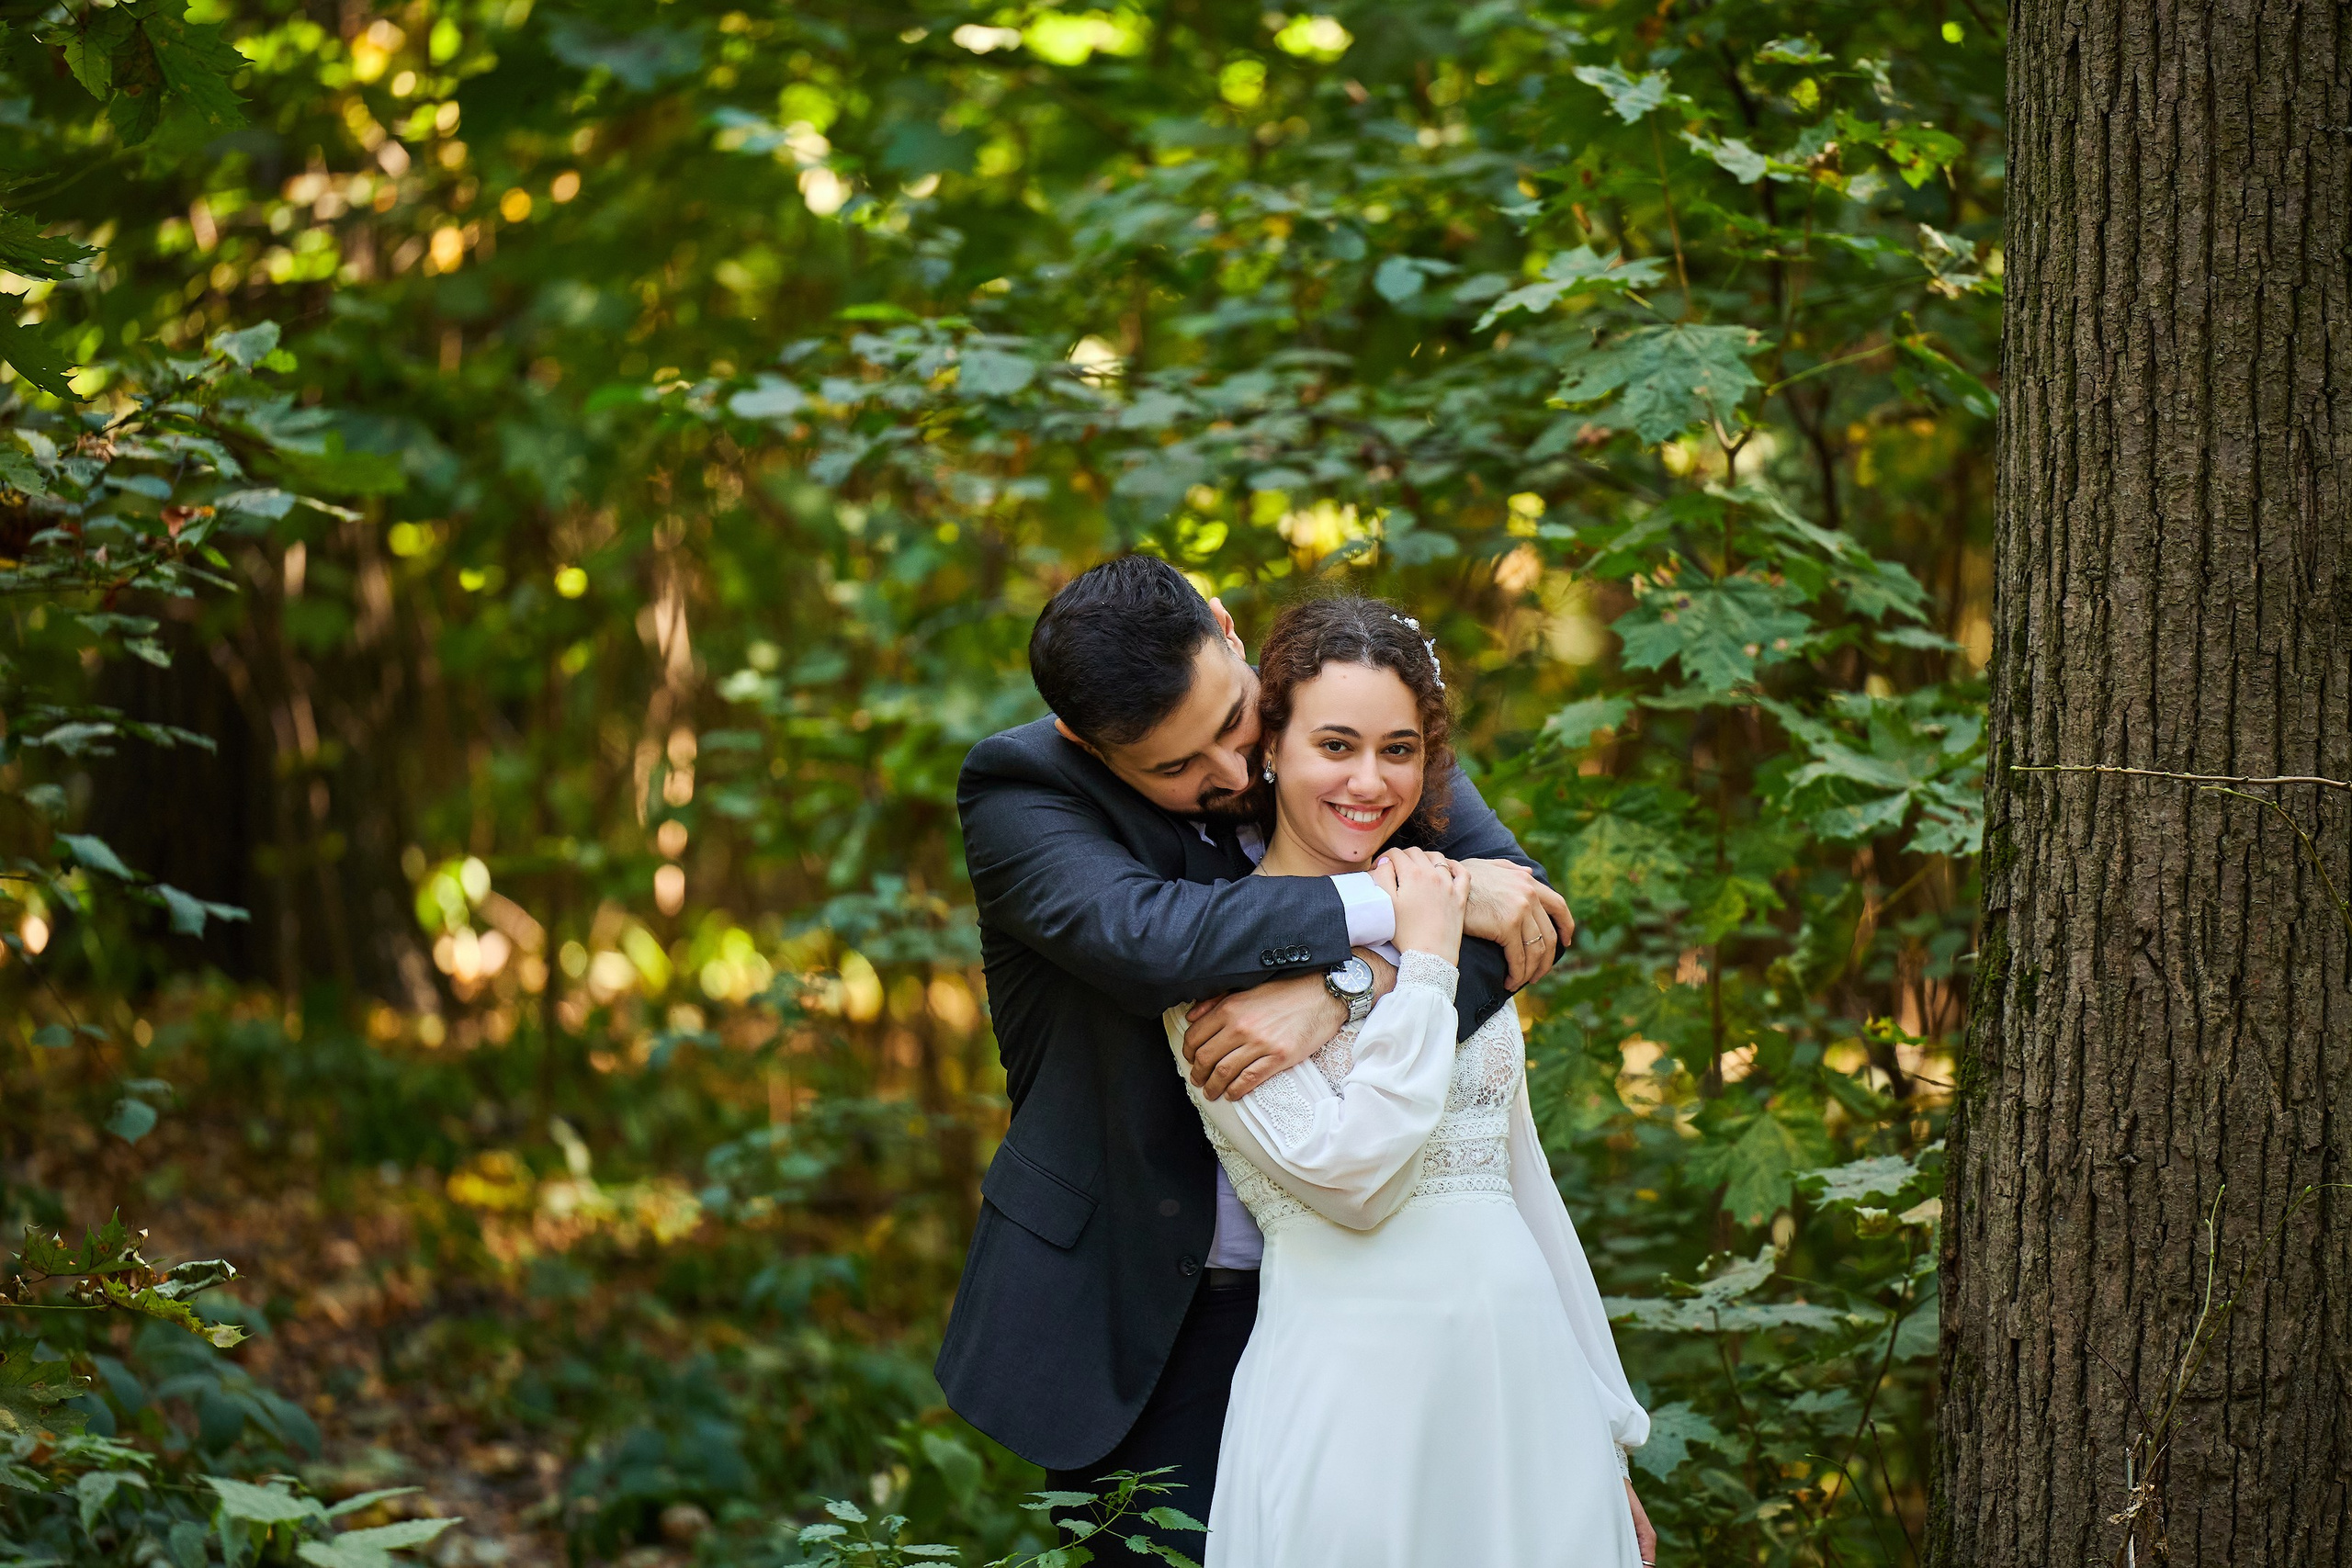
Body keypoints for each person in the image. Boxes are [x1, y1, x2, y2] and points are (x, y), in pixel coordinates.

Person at [936, 557, 1575, 1549]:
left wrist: (1343, 987)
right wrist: (1403, 917)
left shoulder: (1333, 720)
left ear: (1230, 635)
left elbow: (1525, 914)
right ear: (1084, 741)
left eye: (1232, 724)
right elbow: (1145, 939)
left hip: (1377, 1307)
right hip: (1148, 1315)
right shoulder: (1024, 789)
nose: (1230, 776)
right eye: (1174, 769)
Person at [1166, 595, 1652, 1567]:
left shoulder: (1446, 901)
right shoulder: (1207, 956)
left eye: (1398, 750)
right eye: (1335, 745)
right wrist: (1422, 964)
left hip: (1529, 1400)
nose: (1367, 780)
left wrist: (1608, 1437)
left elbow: (1522, 1188)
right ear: (1272, 748)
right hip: (1354, 1401)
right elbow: (1356, 1181)